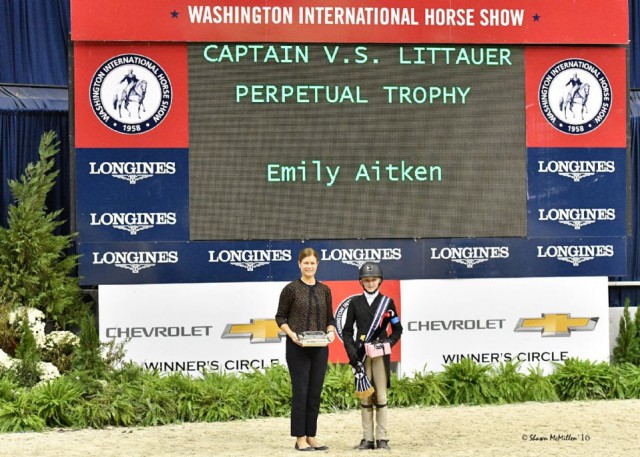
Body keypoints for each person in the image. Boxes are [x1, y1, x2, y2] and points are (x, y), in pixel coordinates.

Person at [275, 247, 337, 452]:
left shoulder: (325, 290)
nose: (309, 266)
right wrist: (292, 335)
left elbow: (330, 318)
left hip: (320, 348)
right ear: (299, 264)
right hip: (297, 348)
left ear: (317, 265)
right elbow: (280, 317)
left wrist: (330, 332)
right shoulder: (290, 289)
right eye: (306, 263)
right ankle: (299, 438)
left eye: (312, 263)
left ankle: (311, 435)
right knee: (300, 392)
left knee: (314, 393)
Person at [342, 262, 403, 451]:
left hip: (379, 355)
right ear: (361, 282)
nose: (370, 283)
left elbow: (397, 329)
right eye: (366, 280)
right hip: (361, 355)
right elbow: (346, 332)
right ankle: (367, 438)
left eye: (373, 280)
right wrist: (352, 354)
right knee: (365, 396)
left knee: (381, 395)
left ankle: (382, 438)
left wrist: (388, 344)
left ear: (380, 281)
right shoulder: (354, 303)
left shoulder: (388, 302)